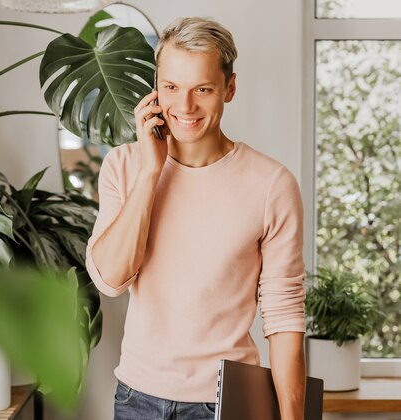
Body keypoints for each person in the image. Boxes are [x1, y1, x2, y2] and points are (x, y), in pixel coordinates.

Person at [85, 17, 307, 420]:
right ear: (156, 89)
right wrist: (150, 172)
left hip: (225, 403)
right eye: (171, 87)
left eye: (202, 89)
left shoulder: (272, 184)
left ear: (230, 88)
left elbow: (284, 315)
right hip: (136, 401)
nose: (184, 106)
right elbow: (111, 279)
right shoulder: (123, 166)